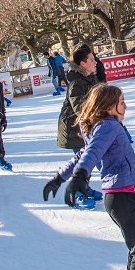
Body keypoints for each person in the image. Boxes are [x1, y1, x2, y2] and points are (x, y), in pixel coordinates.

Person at [42, 85, 135, 270]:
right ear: (109, 107)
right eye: (121, 102)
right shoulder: (108, 126)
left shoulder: (102, 127)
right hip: (121, 197)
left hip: (121, 196)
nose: (125, 106)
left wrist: (58, 178)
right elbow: (91, 153)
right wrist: (80, 176)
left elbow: (83, 154)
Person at [57, 45, 103, 202]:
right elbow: (80, 108)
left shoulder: (91, 78)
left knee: (88, 160)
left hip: (85, 128)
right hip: (74, 129)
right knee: (85, 161)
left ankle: (84, 188)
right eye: (91, 60)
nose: (95, 61)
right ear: (83, 64)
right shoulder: (77, 83)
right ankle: (77, 193)